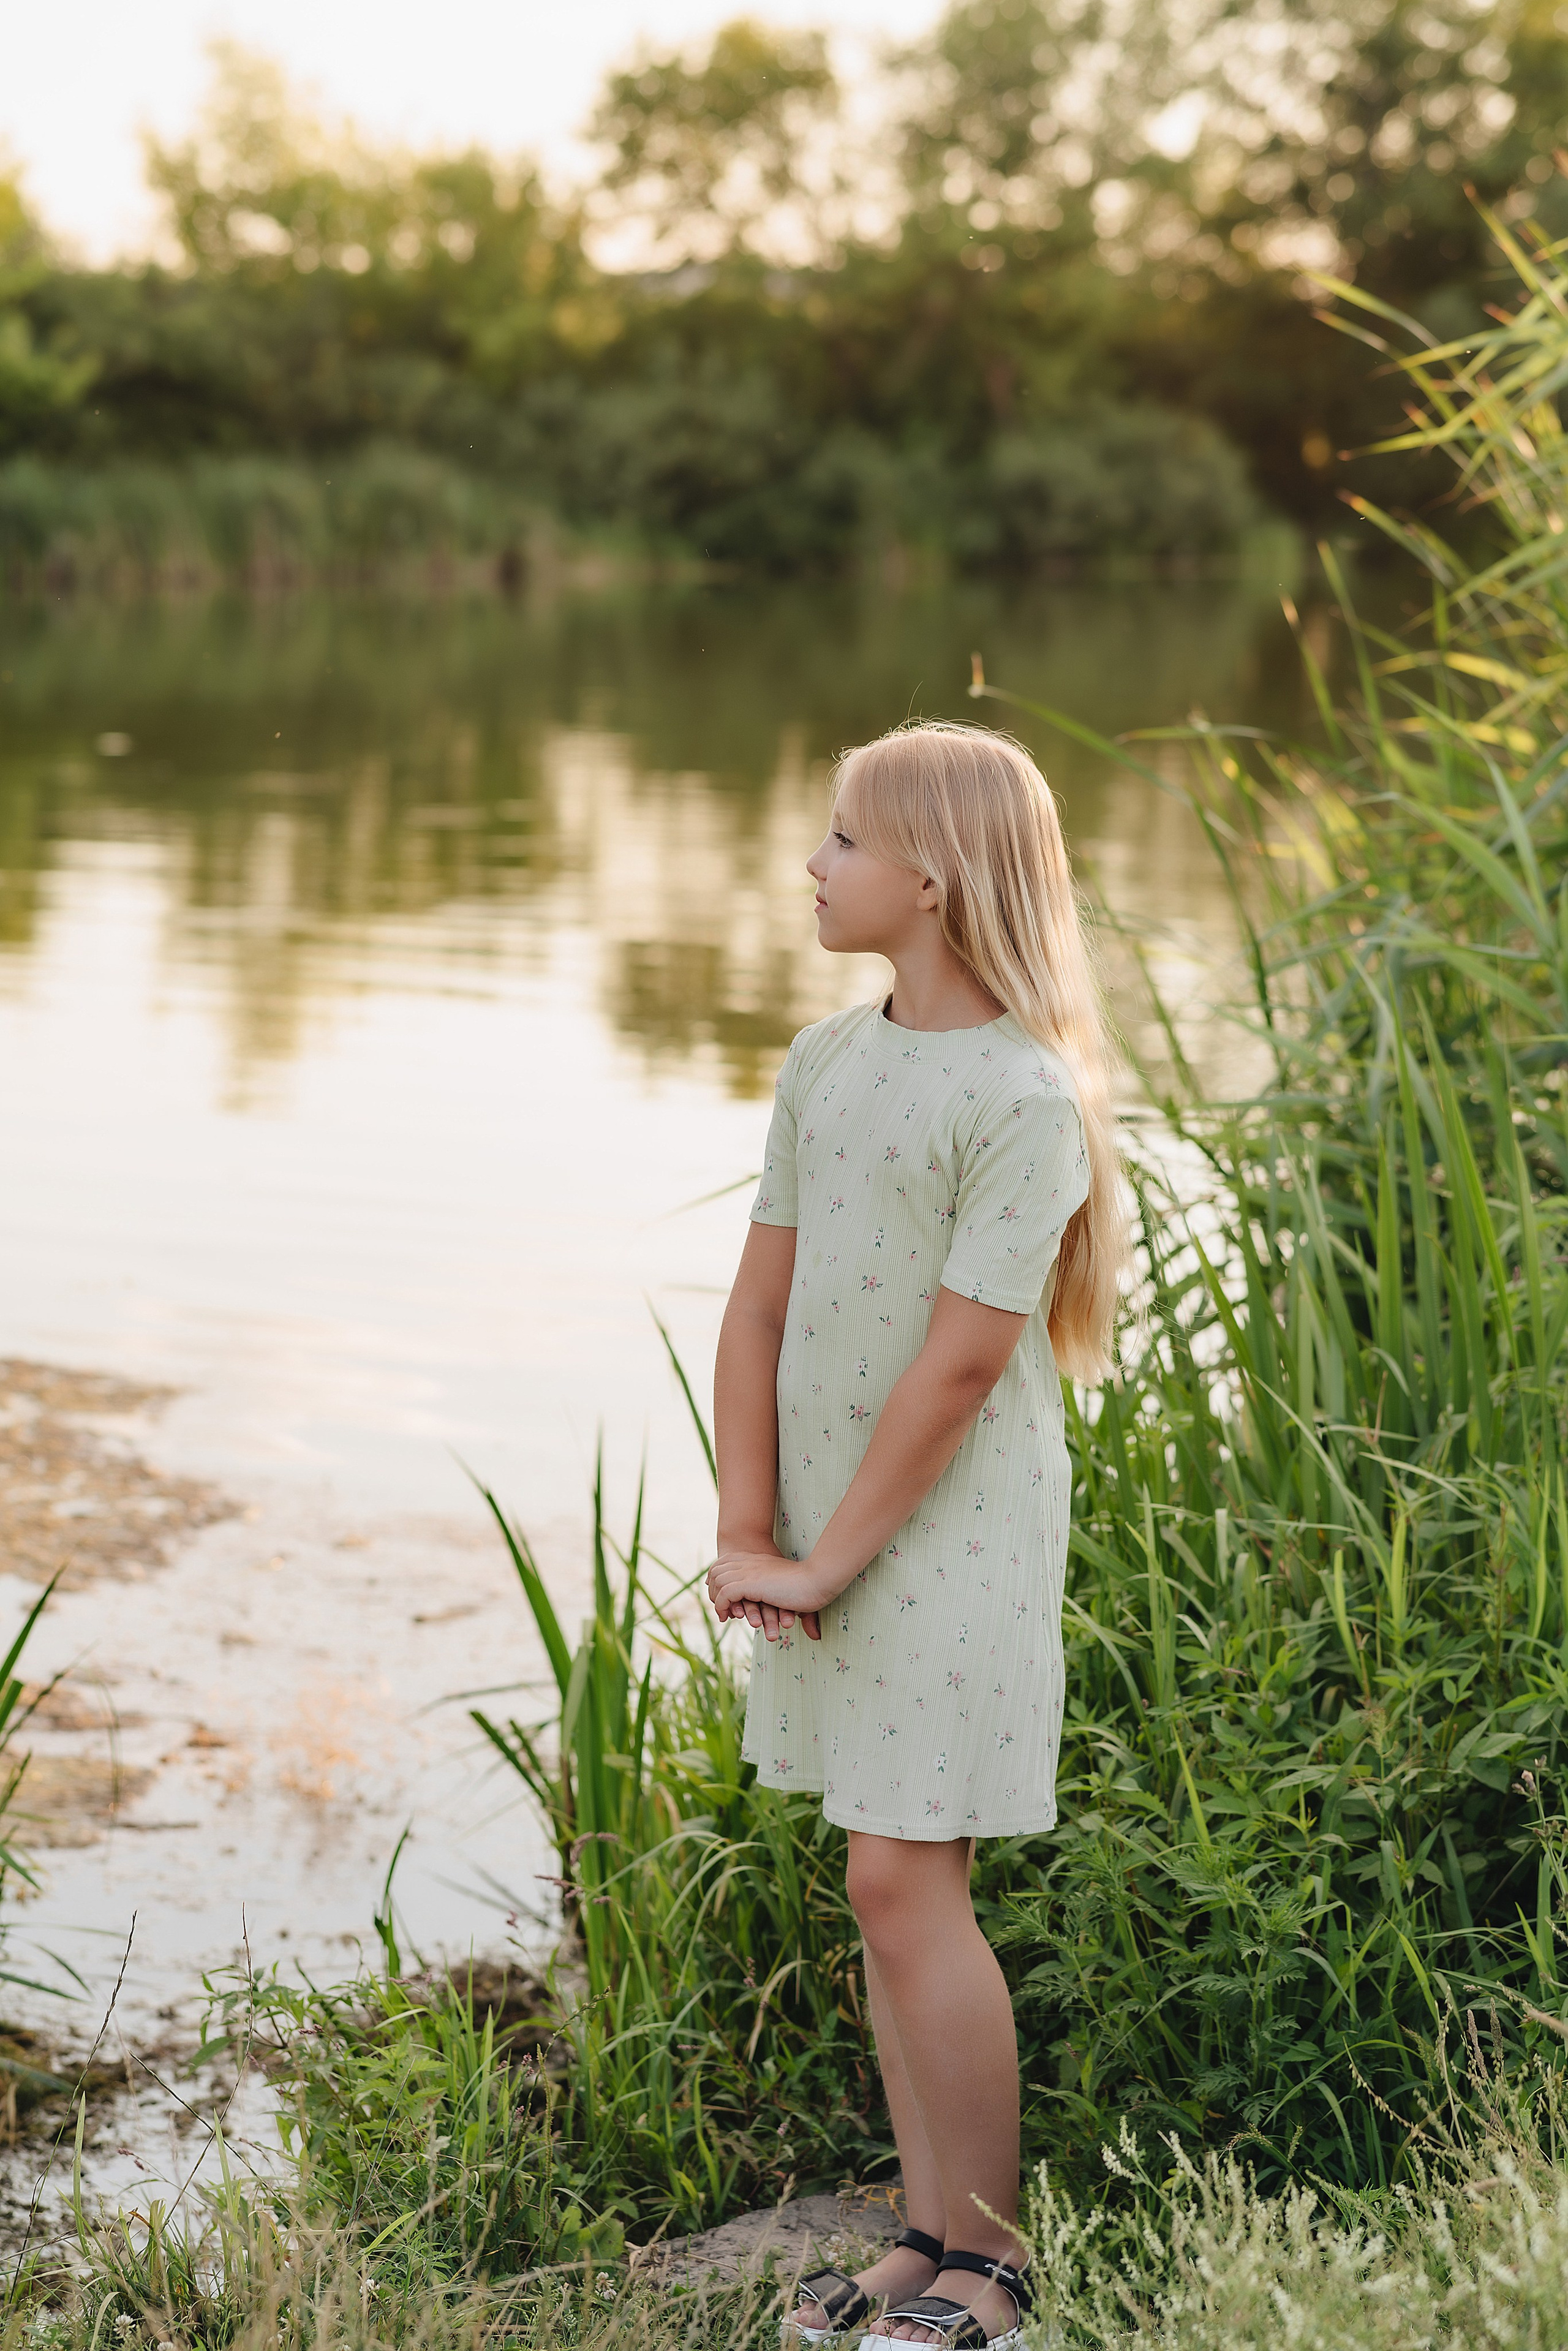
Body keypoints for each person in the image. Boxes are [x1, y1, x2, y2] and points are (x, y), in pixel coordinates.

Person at [706, 720, 1125, 2350]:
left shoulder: (1024, 1096)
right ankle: (922, 2233)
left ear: (930, 877)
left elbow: (958, 1370)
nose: (811, 866)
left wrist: (825, 1561)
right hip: (824, 1528)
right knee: (883, 1882)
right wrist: (754, 1520)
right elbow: (758, 1308)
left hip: (943, 1538)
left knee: (905, 1875)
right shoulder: (829, 1060)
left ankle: (997, 2271)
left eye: (839, 840)